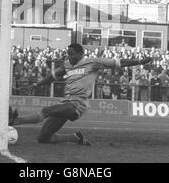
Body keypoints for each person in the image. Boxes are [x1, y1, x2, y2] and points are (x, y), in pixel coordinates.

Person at [8, 43, 152, 145]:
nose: (68, 56)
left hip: (79, 104)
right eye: (67, 54)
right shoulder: (67, 65)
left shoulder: (93, 62)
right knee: (43, 139)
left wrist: (139, 61)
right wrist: (36, 84)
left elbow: (119, 62)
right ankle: (75, 138)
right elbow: (53, 76)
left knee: (46, 111)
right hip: (66, 103)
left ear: (80, 54)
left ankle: (16, 121)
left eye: (71, 54)